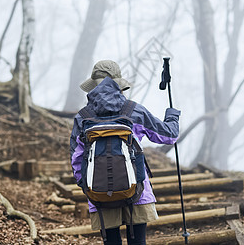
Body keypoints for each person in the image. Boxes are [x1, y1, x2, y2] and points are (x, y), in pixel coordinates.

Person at [70, 60, 180, 245]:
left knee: (111, 242)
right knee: (138, 241)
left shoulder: (83, 117)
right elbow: (168, 136)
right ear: (119, 85)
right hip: (137, 189)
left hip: (98, 192)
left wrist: (87, 187)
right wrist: (172, 116)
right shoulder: (133, 110)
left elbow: (76, 159)